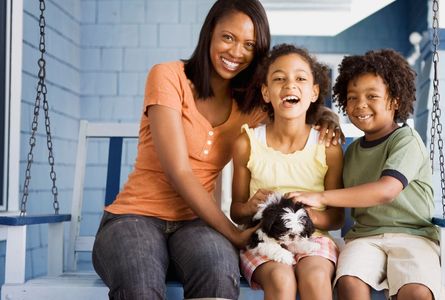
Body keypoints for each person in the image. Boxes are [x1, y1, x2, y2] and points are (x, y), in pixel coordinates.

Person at [91, 1, 342, 299]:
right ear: (210, 32)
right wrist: (234, 232)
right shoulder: (169, 77)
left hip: (196, 224)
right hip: (134, 217)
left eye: (249, 44)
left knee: (220, 274)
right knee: (140, 283)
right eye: (228, 37)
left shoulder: (250, 106)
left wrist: (326, 116)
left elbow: (289, 107)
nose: (236, 52)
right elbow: (179, 171)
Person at [289, 49, 442, 300]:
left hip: (413, 236)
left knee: (417, 292)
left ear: (394, 101)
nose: (360, 104)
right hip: (365, 238)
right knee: (349, 283)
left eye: (372, 96)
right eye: (352, 97)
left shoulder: (406, 140)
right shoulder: (351, 151)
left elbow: (387, 190)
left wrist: (321, 197)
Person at [230, 44, 344, 300]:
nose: (290, 85)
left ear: (314, 92)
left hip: (312, 238)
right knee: (282, 280)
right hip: (263, 240)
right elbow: (236, 211)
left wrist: (304, 220)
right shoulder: (246, 143)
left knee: (315, 277)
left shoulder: (327, 147)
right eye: (279, 79)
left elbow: (336, 217)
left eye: (300, 79)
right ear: (266, 92)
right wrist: (250, 207)